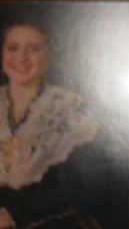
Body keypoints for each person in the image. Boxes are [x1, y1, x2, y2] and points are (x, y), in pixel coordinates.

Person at [0, 20, 99, 229]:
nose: (21, 58)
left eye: (33, 49)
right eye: (13, 48)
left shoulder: (69, 107)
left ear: (48, 56)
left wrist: (11, 215)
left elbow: (78, 185)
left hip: (51, 221)